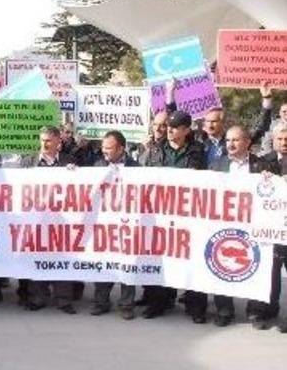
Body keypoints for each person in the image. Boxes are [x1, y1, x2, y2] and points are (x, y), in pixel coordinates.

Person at [208, 125, 281, 327]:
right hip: (224, 222)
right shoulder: (216, 165)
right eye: (228, 140)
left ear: (247, 143)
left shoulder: (263, 165)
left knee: (259, 265)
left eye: (236, 140)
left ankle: (256, 312)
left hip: (255, 223)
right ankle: (224, 310)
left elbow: (273, 193)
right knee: (221, 262)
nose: (230, 144)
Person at [140, 110, 207, 322]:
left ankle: (196, 306)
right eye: (168, 126)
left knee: (192, 259)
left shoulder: (198, 152)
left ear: (187, 130)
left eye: (175, 127)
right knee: (160, 259)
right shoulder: (156, 151)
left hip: (188, 216)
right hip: (161, 215)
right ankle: (158, 303)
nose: (169, 130)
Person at [21, 126, 77, 314]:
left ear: (57, 142)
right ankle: (38, 297)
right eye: (42, 140)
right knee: (37, 258)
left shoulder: (69, 162)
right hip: (37, 220)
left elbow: (80, 188)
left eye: (48, 140)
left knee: (62, 259)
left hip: (62, 223)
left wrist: (75, 174)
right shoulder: (29, 161)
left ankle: (63, 300)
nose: (44, 144)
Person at [90, 130, 138, 320]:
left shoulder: (136, 168)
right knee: (104, 263)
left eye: (109, 148)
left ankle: (127, 304)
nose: (104, 151)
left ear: (121, 148)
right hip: (105, 223)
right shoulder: (98, 165)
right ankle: (101, 302)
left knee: (127, 264)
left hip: (127, 223)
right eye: (103, 147)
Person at [255, 122, 287, 332]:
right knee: (270, 273)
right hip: (271, 229)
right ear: (273, 141)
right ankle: (268, 309)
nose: (284, 143)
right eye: (280, 139)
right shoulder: (263, 162)